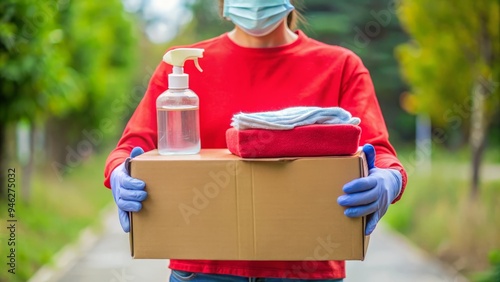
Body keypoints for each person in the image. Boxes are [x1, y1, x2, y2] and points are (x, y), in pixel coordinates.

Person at [104, 0, 408, 281]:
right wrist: (120, 173)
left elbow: (377, 150)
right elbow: (131, 147)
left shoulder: (341, 67)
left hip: (308, 271)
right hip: (202, 271)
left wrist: (388, 180)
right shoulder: (182, 68)